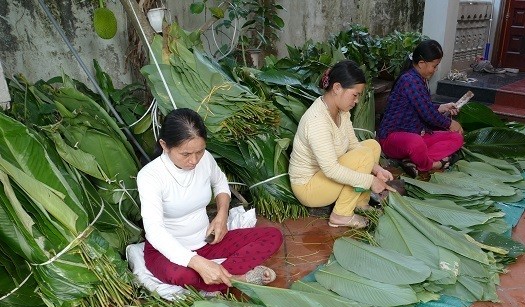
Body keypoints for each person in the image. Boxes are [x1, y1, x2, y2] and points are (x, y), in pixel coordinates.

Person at [137, 108, 283, 293]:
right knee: (182, 276)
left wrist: (222, 215)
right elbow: (155, 231)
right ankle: (240, 278)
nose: (194, 160)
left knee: (272, 236)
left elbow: (220, 182)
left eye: (199, 151)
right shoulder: (150, 176)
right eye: (185, 154)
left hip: (207, 241)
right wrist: (197, 263)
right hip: (167, 252)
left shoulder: (204, 159)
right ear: (165, 146)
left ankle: (218, 278)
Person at [289, 60, 396, 229]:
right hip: (309, 187)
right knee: (364, 156)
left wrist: (377, 169)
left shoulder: (341, 111)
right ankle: (341, 214)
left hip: (326, 175)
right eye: (355, 95)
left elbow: (353, 145)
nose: (357, 101)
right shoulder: (317, 120)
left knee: (371, 146)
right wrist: (370, 181)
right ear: (337, 88)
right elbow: (331, 169)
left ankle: (360, 202)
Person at [377, 39, 464, 178]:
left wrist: (442, 107)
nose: (435, 70)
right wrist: (450, 123)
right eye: (434, 66)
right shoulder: (409, 80)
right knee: (416, 143)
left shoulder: (420, 78)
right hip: (392, 139)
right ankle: (430, 164)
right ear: (422, 63)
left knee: (456, 137)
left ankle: (412, 160)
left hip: (416, 134)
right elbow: (427, 114)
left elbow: (423, 107)